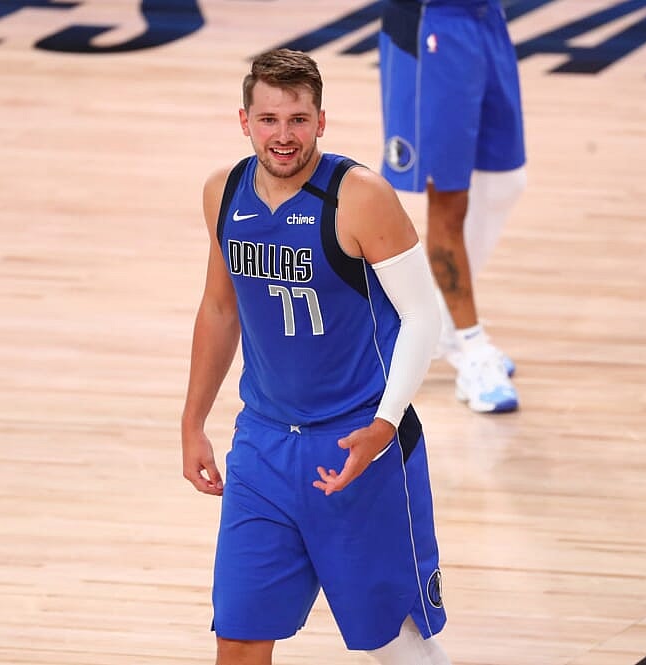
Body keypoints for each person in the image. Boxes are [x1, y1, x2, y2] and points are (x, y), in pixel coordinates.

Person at [181, 48, 453, 665]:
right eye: (269, 119)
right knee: (241, 634)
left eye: (298, 119)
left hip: (357, 442)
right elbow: (221, 309)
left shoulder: (359, 196)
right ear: (244, 120)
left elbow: (422, 316)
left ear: (321, 122)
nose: (283, 135)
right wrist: (193, 421)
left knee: (394, 640)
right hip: (263, 447)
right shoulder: (223, 193)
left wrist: (383, 427)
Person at [379, 0, 528, 413]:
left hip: (484, 18)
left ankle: (436, 325)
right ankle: (471, 345)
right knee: (449, 199)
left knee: (505, 182)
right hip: (433, 27)